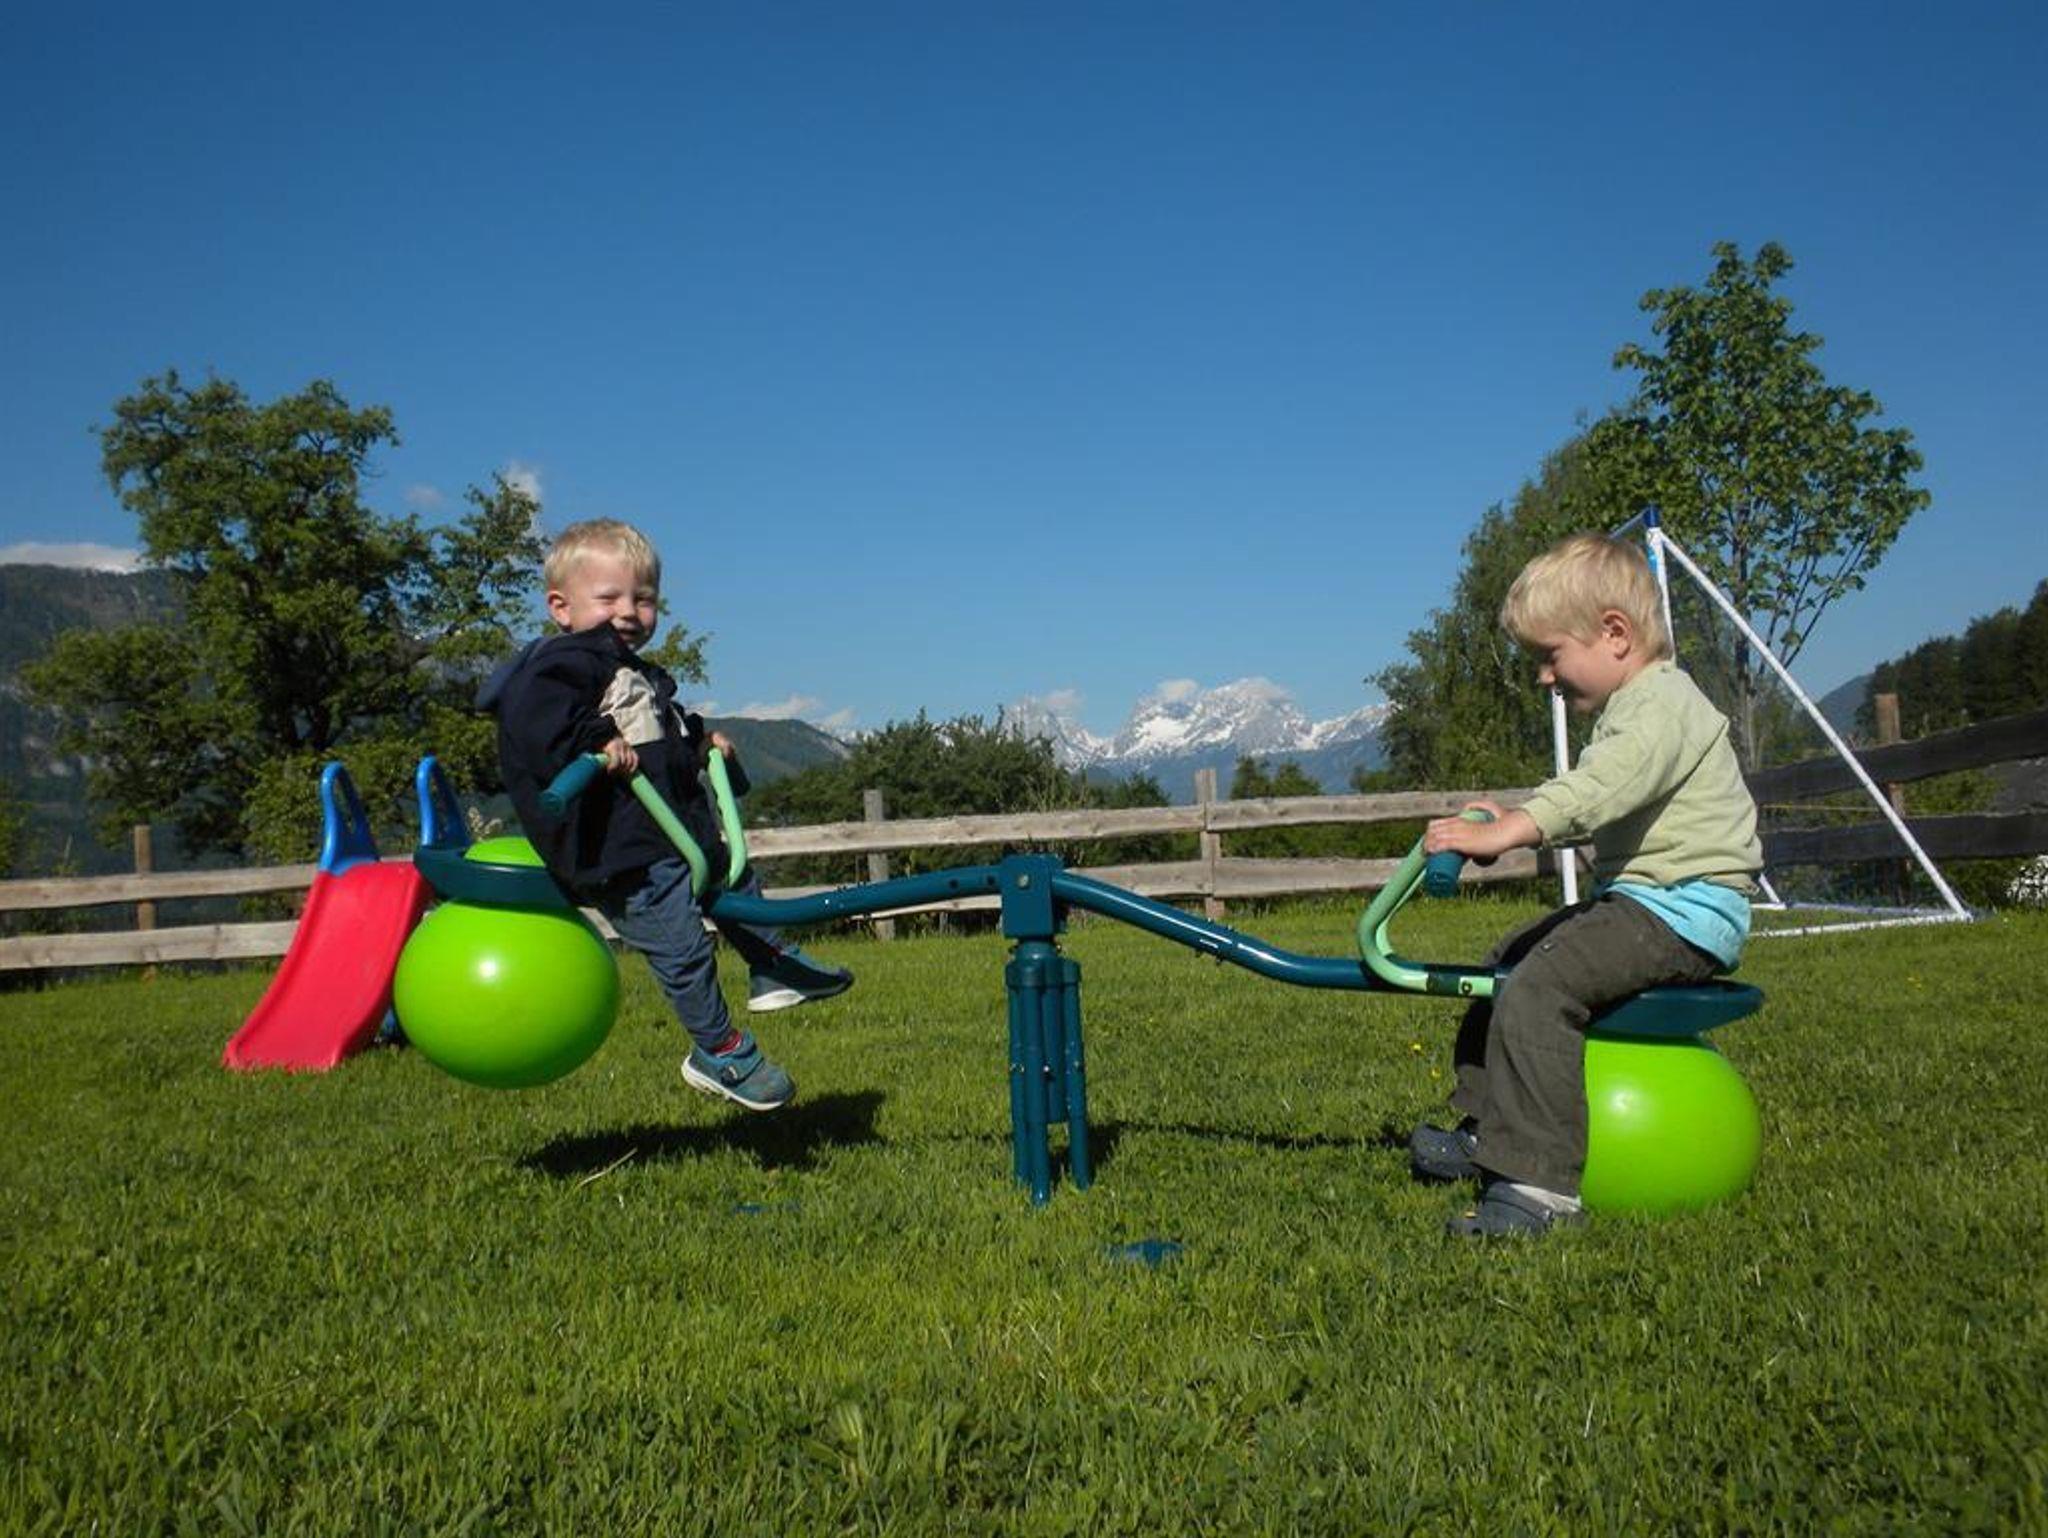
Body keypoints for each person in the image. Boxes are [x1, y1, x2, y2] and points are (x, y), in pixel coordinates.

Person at [1414, 532, 1762, 1238]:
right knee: (1507, 962)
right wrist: (1510, 822)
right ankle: (1486, 1127)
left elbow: (1599, 791)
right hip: (1646, 903)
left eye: (1551, 655)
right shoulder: (1634, 709)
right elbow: (1606, 798)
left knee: (1540, 986)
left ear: (1615, 634)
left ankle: (1539, 1187)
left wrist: (1513, 829)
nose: (1545, 677)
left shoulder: (1661, 704)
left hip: (1685, 910)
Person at [480, 518, 852, 1112]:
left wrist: (700, 742)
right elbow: (538, 724)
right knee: (684, 946)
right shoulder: (557, 667)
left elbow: (658, 732)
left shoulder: (637, 671)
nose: (629, 612)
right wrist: (595, 743)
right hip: (618, 851)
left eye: (644, 599)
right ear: (561, 607)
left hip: (670, 834)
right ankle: (718, 1050)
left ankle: (772, 964)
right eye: (609, 598)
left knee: (734, 875)